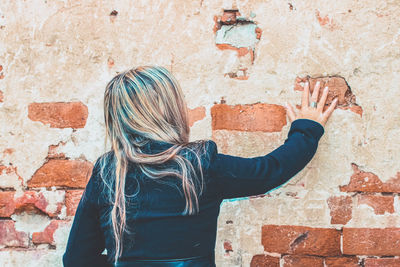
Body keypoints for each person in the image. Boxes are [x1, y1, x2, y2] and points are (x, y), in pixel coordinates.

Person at [62, 66, 337, 267]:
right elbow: (270, 170)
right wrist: (307, 128)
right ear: (169, 109)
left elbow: (76, 259)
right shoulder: (200, 164)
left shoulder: (108, 172)